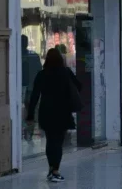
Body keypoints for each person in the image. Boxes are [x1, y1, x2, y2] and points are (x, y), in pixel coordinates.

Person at [25, 48, 81, 182]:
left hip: (46, 111)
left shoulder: (42, 74)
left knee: (50, 140)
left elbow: (35, 96)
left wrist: (30, 115)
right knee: (58, 142)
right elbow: (79, 86)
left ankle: (51, 168)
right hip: (63, 111)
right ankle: (55, 170)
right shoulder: (66, 72)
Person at [21, 35, 43, 141]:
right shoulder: (33, 56)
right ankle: (28, 131)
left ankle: (28, 131)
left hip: (27, 88)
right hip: (30, 88)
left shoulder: (30, 56)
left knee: (29, 110)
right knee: (30, 110)